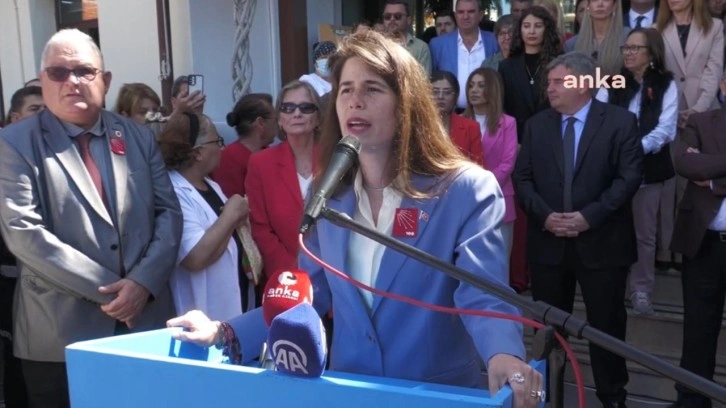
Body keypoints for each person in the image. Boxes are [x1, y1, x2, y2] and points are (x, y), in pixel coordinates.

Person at [169, 30, 544, 408]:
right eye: (345, 90)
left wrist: (504, 353)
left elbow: (484, 292)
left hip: (434, 394)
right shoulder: (328, 194)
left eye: (372, 89)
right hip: (348, 391)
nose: (355, 101)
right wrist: (224, 331)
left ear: (406, 102)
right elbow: (305, 296)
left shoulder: (466, 190)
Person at [0, 29, 182, 407]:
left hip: (144, 327)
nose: (72, 81)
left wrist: (142, 284)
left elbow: (167, 213)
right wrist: (117, 292)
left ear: (106, 80)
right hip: (60, 337)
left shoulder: (138, 137)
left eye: (84, 71)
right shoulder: (14, 143)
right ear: (42, 80)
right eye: (58, 72)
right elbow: (23, 232)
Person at [513, 52, 643, 407]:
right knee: (547, 332)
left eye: (558, 82)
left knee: (607, 328)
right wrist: (545, 216)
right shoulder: (537, 125)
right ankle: (547, 397)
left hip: (603, 244)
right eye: (549, 82)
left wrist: (589, 216)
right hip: (548, 244)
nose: (550, 88)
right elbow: (522, 178)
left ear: (583, 84)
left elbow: (629, 177)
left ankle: (612, 398)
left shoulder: (620, 122)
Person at [596, 28, 678, 315]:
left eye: (635, 48)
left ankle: (641, 289)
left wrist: (633, 149)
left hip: (648, 168)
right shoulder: (612, 82)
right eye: (626, 48)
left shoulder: (666, 84)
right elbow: (598, 120)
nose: (628, 53)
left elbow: (666, 129)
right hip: (612, 169)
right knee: (610, 228)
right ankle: (609, 285)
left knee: (644, 233)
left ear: (651, 53)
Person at [158, 112, 257, 319]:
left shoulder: (212, 186)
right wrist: (231, 215)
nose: (222, 148)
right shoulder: (173, 193)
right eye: (217, 141)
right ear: (198, 153)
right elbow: (195, 257)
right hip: (201, 313)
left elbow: (222, 240)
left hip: (232, 307)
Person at [654, 0, 724, 271]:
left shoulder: (714, 27)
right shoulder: (657, 28)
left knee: (695, 183)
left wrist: (696, 111)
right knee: (668, 184)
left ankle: (687, 250)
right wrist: (672, 110)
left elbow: (713, 70)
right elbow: (657, 73)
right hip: (667, 112)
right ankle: (665, 250)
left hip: (704, 112)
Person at [668, 104, 726, 408]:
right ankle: (692, 401)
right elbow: (686, 164)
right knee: (698, 329)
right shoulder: (701, 122)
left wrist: (714, 176)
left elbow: (703, 168)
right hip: (705, 245)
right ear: (724, 85)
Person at [245, 81, 320, 279]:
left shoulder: (335, 160)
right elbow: (259, 226)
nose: (297, 114)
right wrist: (293, 271)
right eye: (288, 108)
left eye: (306, 107)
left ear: (318, 117)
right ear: (279, 119)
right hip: (285, 277)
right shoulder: (260, 163)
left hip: (334, 274)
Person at [462, 67, 518, 256]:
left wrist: (483, 186)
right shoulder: (458, 121)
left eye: (481, 85)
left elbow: (507, 164)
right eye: (471, 85)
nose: (474, 90)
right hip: (465, 199)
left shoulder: (508, 123)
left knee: (500, 259)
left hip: (499, 198)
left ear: (492, 89)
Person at [211, 93, 276, 198]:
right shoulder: (228, 159)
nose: (278, 124)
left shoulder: (269, 153)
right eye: (275, 120)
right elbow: (230, 203)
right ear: (261, 123)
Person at [430, 70, 485, 166]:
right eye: (435, 92)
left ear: (456, 96)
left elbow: (479, 165)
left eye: (447, 92)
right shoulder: (416, 125)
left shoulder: (471, 127)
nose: (440, 96)